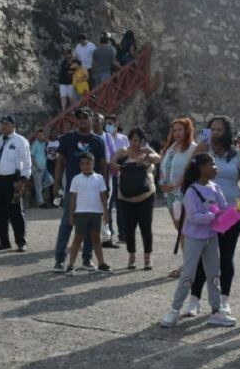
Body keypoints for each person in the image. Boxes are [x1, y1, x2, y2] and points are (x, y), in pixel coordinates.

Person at [159, 153, 237, 328]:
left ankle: (216, 311)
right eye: (213, 164)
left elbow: (223, 208)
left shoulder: (215, 187)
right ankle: (174, 310)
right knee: (188, 274)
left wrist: (235, 211)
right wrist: (213, 216)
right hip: (194, 238)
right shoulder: (192, 191)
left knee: (214, 273)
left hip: (211, 237)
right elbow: (193, 217)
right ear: (202, 168)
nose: (216, 168)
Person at [185, 116, 240, 318]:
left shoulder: (238, 155)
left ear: (227, 132)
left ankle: (224, 300)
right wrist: (196, 152)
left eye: (219, 130)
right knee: (202, 258)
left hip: (231, 213)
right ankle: (194, 299)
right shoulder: (204, 152)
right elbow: (188, 176)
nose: (214, 133)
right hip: (207, 214)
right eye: (212, 129)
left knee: (226, 257)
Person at [52, 107, 107, 271]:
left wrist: (106, 187)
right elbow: (60, 161)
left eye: (85, 117)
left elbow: (103, 164)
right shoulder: (68, 138)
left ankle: (87, 259)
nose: (82, 120)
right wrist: (56, 183)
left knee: (90, 226)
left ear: (91, 118)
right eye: (79, 117)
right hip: (73, 190)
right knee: (67, 224)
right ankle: (60, 259)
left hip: (93, 190)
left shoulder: (98, 140)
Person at [111, 127, 160, 270]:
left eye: (138, 140)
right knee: (129, 228)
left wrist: (147, 159)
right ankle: (131, 258)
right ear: (129, 140)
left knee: (146, 227)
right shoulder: (123, 152)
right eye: (133, 140)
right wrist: (120, 167)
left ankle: (147, 259)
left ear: (142, 141)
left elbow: (158, 158)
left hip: (146, 196)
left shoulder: (146, 151)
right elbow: (112, 162)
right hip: (125, 197)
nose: (136, 143)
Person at [0, 115, 32, 252]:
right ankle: (4, 241)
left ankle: (21, 242)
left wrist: (23, 179)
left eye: (6, 124)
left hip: (13, 181)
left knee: (16, 213)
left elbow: (26, 162)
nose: (3, 126)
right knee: (0, 214)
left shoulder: (20, 141)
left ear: (13, 125)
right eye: (2, 124)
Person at [159, 118, 197, 278]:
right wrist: (163, 183)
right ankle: (188, 262)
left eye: (180, 129)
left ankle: (191, 265)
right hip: (170, 195)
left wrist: (175, 185)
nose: (177, 133)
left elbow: (189, 171)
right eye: (174, 130)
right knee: (180, 231)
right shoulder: (171, 148)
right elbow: (164, 167)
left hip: (184, 194)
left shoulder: (192, 148)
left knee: (187, 230)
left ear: (187, 130)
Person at [65, 153, 111, 275]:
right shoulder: (76, 179)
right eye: (83, 164)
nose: (85, 166)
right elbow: (73, 198)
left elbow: (103, 196)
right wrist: (71, 214)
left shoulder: (99, 178)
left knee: (96, 238)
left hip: (96, 212)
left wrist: (106, 212)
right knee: (78, 238)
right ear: (80, 165)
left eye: (88, 163)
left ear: (93, 164)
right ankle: (70, 265)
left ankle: (101, 263)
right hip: (81, 212)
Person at [102, 114, 130, 246]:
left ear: (116, 123)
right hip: (109, 174)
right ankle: (110, 234)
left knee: (122, 204)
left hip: (122, 173)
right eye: (107, 123)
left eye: (111, 123)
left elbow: (127, 154)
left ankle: (123, 234)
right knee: (108, 204)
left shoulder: (123, 138)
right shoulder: (104, 137)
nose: (109, 126)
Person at [31, 127, 54, 208]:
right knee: (39, 186)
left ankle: (36, 189)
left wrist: (47, 141)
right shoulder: (35, 144)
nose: (41, 137)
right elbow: (31, 156)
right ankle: (40, 203)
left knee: (51, 181)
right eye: (39, 135)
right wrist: (36, 166)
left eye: (42, 135)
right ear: (36, 136)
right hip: (37, 168)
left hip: (44, 167)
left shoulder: (44, 144)